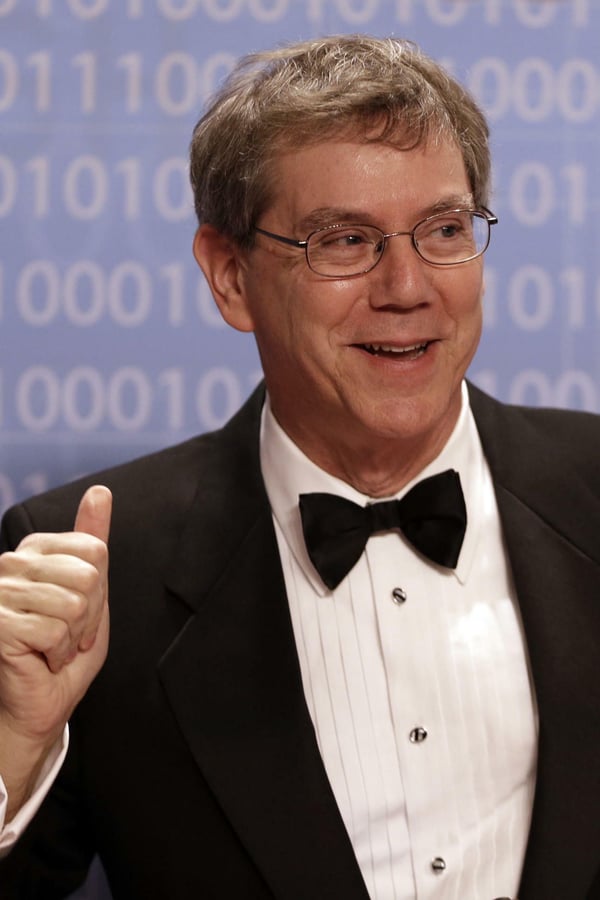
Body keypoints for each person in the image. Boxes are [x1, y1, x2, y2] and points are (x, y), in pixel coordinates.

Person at [0, 34, 598, 900]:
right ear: (230, 277)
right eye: (345, 241)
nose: (407, 287)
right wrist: (14, 754)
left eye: (444, 230)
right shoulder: (100, 569)